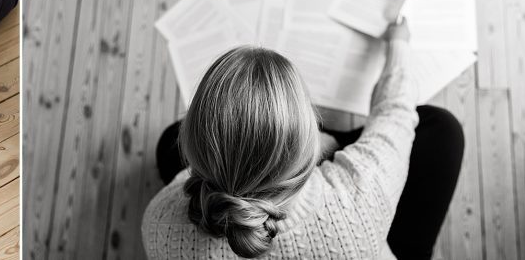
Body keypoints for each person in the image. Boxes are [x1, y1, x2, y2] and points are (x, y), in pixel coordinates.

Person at [142, 24, 464, 259]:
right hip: (355, 242)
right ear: (310, 151)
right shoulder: (356, 205)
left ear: (195, 150)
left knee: (166, 143)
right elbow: (395, 112)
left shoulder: (159, 225)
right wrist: (399, 45)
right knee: (444, 131)